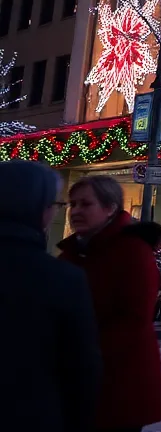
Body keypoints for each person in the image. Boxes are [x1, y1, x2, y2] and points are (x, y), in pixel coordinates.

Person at [58, 175, 161, 431]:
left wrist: (76, 352)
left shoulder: (132, 251)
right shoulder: (72, 252)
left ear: (110, 208)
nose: (75, 211)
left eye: (85, 204)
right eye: (72, 204)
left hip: (119, 382)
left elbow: (132, 321)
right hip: (79, 381)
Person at [0, 160, 101, 432]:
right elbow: (81, 372)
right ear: (41, 210)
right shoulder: (61, 277)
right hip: (32, 416)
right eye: (57, 205)